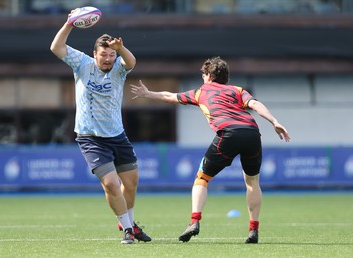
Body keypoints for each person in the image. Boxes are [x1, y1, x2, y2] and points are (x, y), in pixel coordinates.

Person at [130, 56, 290, 244]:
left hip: (228, 134)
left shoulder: (201, 92)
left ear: (208, 75)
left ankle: (194, 221)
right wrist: (274, 121)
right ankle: (253, 230)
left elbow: (170, 97)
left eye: (203, 75)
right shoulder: (237, 90)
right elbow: (255, 104)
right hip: (252, 133)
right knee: (252, 181)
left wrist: (147, 93)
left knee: (202, 179)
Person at [50, 8, 151, 244]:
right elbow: (56, 48)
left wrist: (120, 49)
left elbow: (131, 61)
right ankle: (127, 229)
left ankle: (130, 223)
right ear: (94, 54)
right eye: (103, 55)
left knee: (131, 183)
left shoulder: (118, 67)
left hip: (117, 135)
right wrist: (70, 24)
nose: (108, 59)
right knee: (111, 184)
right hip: (90, 137)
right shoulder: (82, 63)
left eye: (111, 55)